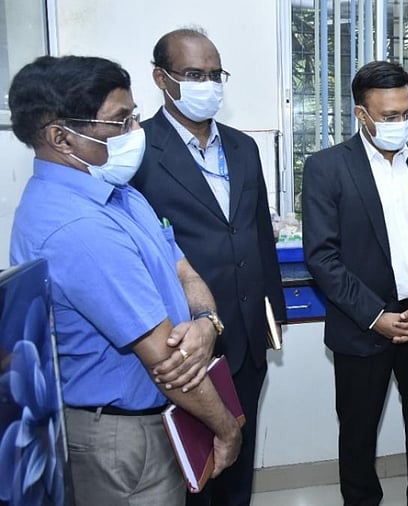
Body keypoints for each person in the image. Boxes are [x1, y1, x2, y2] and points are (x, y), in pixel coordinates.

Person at [7, 55, 242, 505]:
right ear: (61, 137)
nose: (136, 131)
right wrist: (226, 428)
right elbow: (163, 359)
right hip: (121, 435)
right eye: (119, 121)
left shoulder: (117, 192)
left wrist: (206, 321)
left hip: (160, 414)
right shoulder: (78, 228)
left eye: (133, 115)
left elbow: (181, 267)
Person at [130, 28, 286, 506]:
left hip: (246, 336)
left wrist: (272, 317)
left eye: (216, 74)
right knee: (193, 474)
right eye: (195, 74)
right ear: (161, 78)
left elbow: (258, 234)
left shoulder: (243, 147)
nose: (209, 84)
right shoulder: (137, 151)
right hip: (183, 346)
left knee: (238, 467)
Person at [301, 60, 408, 506]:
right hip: (362, 325)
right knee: (358, 438)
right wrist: (376, 316)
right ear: (361, 115)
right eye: (390, 116)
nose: (401, 123)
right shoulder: (327, 168)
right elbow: (323, 258)